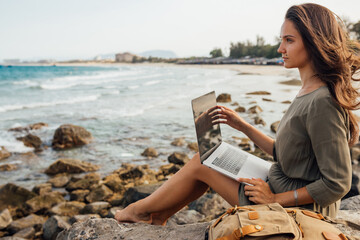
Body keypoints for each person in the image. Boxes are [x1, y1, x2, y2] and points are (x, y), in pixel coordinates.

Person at [115, 3, 360, 224]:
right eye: (282, 40)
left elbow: (337, 183)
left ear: (314, 41)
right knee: (211, 156)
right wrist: (241, 125)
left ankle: (139, 211)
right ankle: (157, 216)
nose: (280, 48)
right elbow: (284, 154)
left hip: (300, 211)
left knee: (203, 163)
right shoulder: (308, 91)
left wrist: (274, 198)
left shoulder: (322, 101)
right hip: (282, 186)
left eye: (289, 40)